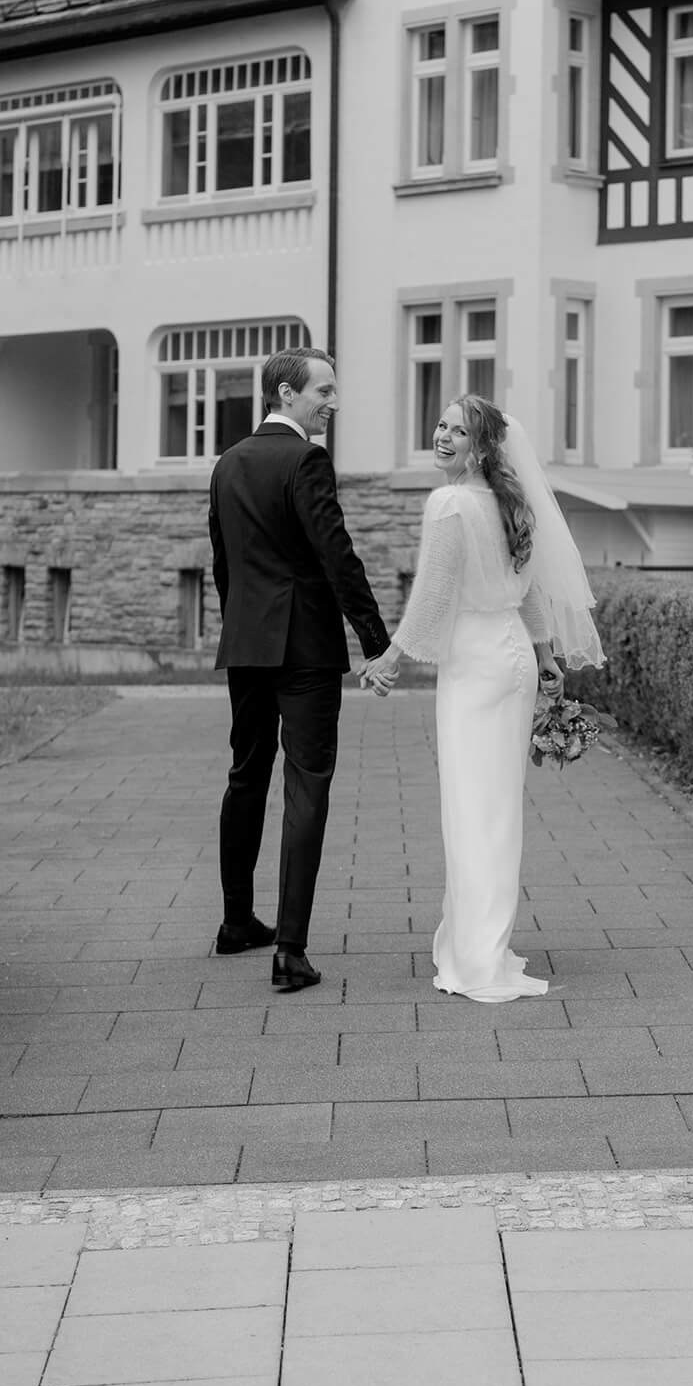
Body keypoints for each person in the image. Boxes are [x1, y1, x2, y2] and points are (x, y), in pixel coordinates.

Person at [360, 396, 604, 1002]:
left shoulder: (449, 504)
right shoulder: (511, 504)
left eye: (458, 431)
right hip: (515, 659)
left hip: (475, 663)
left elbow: (434, 594)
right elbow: (529, 592)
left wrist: (391, 657)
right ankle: (481, 941)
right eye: (440, 425)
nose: (443, 436)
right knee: (497, 811)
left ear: (482, 446)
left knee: (469, 809)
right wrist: (546, 660)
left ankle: (477, 955)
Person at [209, 345, 389, 993]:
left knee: (245, 777)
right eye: (323, 391)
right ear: (286, 394)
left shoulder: (228, 462)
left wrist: (242, 628)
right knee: (306, 786)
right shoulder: (306, 460)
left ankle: (236, 924)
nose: (333, 402)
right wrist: (376, 640)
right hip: (305, 650)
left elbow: (223, 563)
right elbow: (335, 555)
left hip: (247, 644)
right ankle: (289, 950)